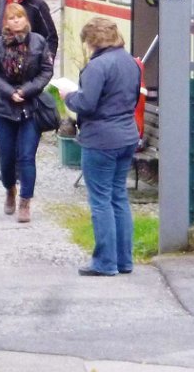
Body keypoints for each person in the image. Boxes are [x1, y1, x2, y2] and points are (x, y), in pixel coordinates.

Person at [64, 16, 141, 276]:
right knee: (119, 197)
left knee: (100, 201)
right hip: (127, 136)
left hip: (101, 139)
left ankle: (105, 262)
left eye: (86, 41)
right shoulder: (130, 62)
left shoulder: (98, 66)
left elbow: (86, 104)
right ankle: (124, 260)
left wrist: (68, 96)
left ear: (93, 40)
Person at [0, 2, 53, 223]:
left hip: (30, 107)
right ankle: (9, 189)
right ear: (6, 22)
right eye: (11, 18)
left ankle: (25, 201)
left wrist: (27, 90)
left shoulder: (38, 42)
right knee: (6, 157)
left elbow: (46, 71)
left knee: (26, 157)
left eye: (19, 17)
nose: (16, 21)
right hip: (5, 108)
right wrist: (10, 91)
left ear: (26, 19)